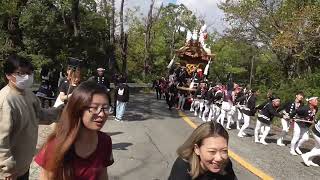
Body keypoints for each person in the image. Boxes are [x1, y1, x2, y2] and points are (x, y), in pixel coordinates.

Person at [34, 80, 114, 179]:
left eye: (105, 108)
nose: (102, 114)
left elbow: (102, 176)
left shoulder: (105, 141)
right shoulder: (56, 145)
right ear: (78, 109)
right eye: (94, 108)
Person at [0, 55, 63, 180]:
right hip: (9, 172)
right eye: (21, 73)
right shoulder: (5, 101)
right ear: (8, 75)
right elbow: (1, 141)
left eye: (29, 73)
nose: (27, 77)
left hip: (23, 164)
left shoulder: (28, 93)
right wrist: (7, 169)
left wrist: (60, 112)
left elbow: (39, 115)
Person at [168, 122, 237, 180]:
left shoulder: (225, 163)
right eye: (212, 151)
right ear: (197, 149)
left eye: (224, 150)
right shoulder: (183, 168)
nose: (219, 158)